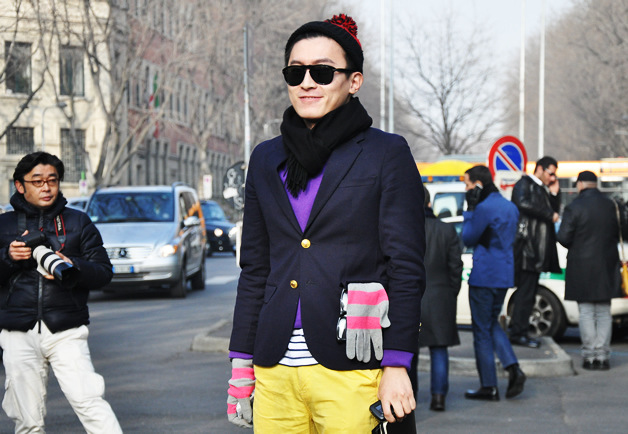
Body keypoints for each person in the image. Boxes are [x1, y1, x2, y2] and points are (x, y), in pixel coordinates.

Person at [226, 14, 425, 432]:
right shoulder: (265, 157)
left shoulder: (385, 153)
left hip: (353, 364)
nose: (307, 83)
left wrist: (397, 364)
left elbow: (406, 267)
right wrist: (241, 363)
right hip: (274, 369)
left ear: (354, 81)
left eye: (322, 72)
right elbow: (255, 268)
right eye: (295, 72)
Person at [0, 152, 122, 433]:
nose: (46, 187)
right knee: (27, 419)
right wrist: (8, 256)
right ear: (20, 185)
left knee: (89, 402)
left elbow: (104, 273)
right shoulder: (4, 226)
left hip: (67, 329)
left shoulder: (78, 222)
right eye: (37, 181)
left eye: (52, 180)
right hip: (17, 331)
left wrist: (73, 266)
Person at [462, 165, 526, 401]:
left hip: (485, 274)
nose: (466, 189)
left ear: (477, 185)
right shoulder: (510, 207)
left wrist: (470, 210)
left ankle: (489, 385)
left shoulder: (483, 208)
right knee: (491, 323)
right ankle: (513, 368)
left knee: (481, 330)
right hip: (503, 274)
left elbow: (468, 237)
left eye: (467, 184)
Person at [556, 171, 622, 370]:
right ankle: (602, 357)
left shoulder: (574, 207)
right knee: (603, 312)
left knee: (586, 311)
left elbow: (563, 237)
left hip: (581, 266)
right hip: (607, 265)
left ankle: (589, 356)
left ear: (581, 184)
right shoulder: (611, 206)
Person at [412, 187, 462, 412]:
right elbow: (455, 266)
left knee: (409, 350)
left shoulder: (407, 229)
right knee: (439, 348)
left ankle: (410, 396)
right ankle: (439, 397)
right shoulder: (447, 229)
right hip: (441, 296)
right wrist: (451, 293)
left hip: (412, 297)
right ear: (430, 203)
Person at [509, 156, 561, 348]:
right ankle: (518, 333)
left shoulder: (541, 188)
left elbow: (553, 214)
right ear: (540, 169)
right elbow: (522, 203)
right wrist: (548, 213)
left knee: (529, 294)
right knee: (525, 294)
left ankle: (521, 331)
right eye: (551, 173)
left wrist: (554, 195)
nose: (553, 178)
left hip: (536, 251)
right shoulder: (525, 184)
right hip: (527, 250)